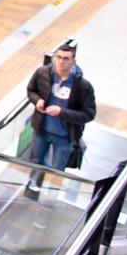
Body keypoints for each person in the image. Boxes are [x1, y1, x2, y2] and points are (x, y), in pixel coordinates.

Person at [25, 43, 96, 192]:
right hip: (41, 130)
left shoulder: (83, 86)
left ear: (73, 61)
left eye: (66, 58)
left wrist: (61, 112)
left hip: (65, 136)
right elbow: (31, 90)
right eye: (58, 57)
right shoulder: (42, 73)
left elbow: (89, 114)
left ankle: (50, 192)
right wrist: (37, 100)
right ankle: (34, 184)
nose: (61, 62)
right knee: (36, 160)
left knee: (58, 168)